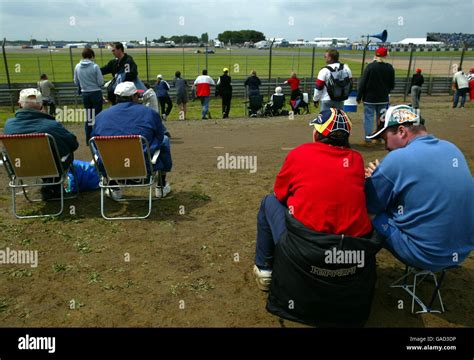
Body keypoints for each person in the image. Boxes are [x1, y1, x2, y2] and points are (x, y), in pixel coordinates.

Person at [254, 108, 373, 288]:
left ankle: (265, 270)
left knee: (269, 201)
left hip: (305, 249)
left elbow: (280, 193)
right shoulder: (356, 159)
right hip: (349, 249)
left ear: (318, 134)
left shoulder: (300, 153)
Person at [365, 105, 473, 272]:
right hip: (462, 251)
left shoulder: (397, 158)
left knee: (368, 214)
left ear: (401, 131)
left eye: (385, 139)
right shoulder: (452, 149)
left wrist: (375, 179)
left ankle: (359, 273)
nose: (385, 146)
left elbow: (371, 205)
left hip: (425, 255)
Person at [91, 82, 172, 200]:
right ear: (134, 97)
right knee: (164, 140)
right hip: (143, 165)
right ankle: (161, 185)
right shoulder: (149, 113)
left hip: (112, 167)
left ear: (116, 97)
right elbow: (160, 136)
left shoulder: (100, 117)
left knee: (95, 143)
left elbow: (93, 140)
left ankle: (113, 186)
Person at [4, 89, 78, 200]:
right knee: (61, 154)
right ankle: (54, 185)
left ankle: (49, 184)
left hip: (20, 168)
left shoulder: (9, 125)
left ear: (19, 104)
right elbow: (73, 144)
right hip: (50, 167)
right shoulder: (52, 126)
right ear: (41, 105)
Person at [357, 47, 395, 146]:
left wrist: (359, 96)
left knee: (368, 119)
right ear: (386, 56)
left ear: (375, 54)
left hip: (370, 98)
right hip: (383, 98)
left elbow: (363, 83)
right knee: (381, 119)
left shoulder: (370, 67)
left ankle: (368, 140)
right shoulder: (389, 67)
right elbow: (392, 85)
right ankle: (379, 138)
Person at [74, 47, 104, 144]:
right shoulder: (95, 67)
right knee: (98, 116)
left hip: (85, 93)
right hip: (96, 93)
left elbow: (75, 81)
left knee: (89, 117)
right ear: (91, 55)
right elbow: (100, 82)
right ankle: (98, 137)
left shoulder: (77, 67)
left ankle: (88, 139)